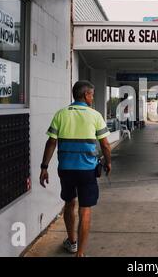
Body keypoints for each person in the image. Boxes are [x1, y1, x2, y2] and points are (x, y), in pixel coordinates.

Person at [39, 80, 111, 257]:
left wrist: (44, 167)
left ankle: (71, 242)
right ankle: (80, 253)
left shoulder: (61, 114)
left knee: (69, 203)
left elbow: (51, 142)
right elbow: (106, 145)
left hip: (66, 169)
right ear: (86, 95)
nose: (93, 98)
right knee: (85, 209)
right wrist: (108, 162)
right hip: (87, 170)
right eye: (92, 94)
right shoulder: (95, 115)